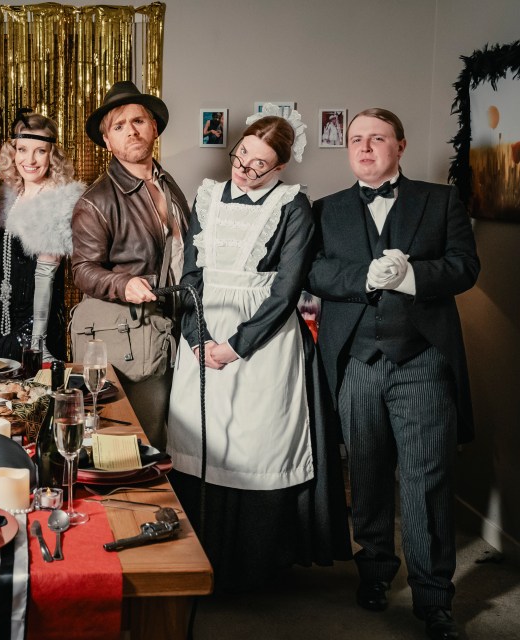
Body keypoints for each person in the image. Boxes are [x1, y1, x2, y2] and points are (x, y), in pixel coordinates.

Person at [309, 108, 479, 640]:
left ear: (400, 146)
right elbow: (312, 270)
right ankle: (376, 572)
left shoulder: (440, 199)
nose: (365, 147)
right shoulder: (325, 209)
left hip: (422, 360)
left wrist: (412, 277)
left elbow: (465, 266)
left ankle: (434, 598)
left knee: (427, 479)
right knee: (366, 471)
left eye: (377, 138)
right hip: (357, 360)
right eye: (356, 139)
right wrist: (363, 275)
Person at [167, 107, 351, 593]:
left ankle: (250, 569)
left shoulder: (293, 206)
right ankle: (196, 560)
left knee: (254, 446)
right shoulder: (207, 197)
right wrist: (196, 337)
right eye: (241, 154)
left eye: (258, 164)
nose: (244, 168)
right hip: (202, 336)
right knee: (200, 444)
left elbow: (286, 290)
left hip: (261, 342)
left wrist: (235, 347)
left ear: (280, 169)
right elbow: (190, 277)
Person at [71, 81, 189, 449]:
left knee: (176, 437)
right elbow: (82, 270)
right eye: (119, 127)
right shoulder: (95, 201)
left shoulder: (169, 185)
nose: (131, 131)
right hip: (133, 335)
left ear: (154, 127)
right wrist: (122, 284)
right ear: (107, 142)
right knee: (138, 438)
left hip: (179, 329)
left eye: (138, 121)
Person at [0, 110, 84, 362]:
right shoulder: (10, 197)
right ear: (13, 151)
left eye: (40, 151)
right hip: (2, 319)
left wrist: (37, 343)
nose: (29, 159)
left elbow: (45, 280)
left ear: (52, 156)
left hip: (34, 328)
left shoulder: (56, 202)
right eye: (22, 150)